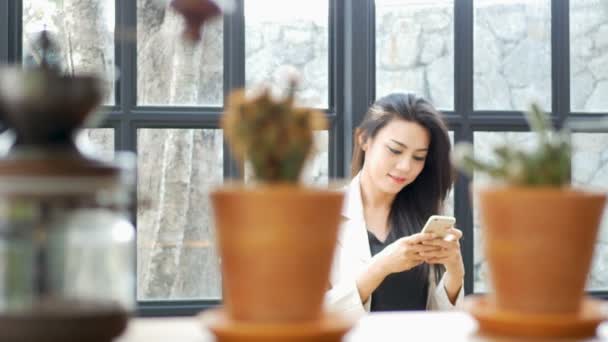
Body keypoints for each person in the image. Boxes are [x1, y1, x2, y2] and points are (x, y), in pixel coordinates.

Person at [325, 93, 464, 317]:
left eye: (419, 157)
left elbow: (437, 321)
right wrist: (381, 267)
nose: (405, 167)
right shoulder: (323, 217)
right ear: (363, 140)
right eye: (395, 150)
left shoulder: (422, 215)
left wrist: (455, 273)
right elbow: (311, 316)